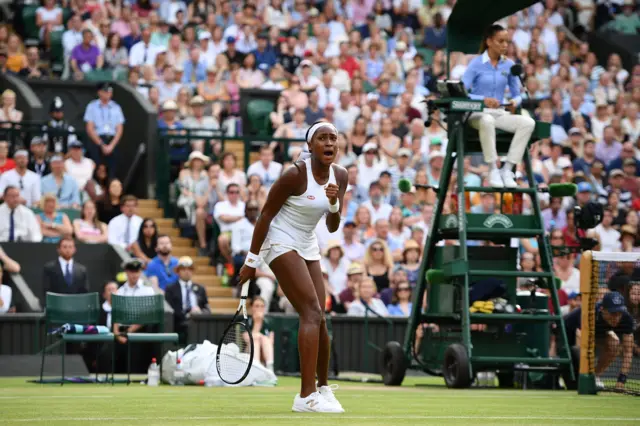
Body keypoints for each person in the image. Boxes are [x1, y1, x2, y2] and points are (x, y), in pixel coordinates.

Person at [238, 121, 347, 413]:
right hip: (279, 239)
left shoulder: (341, 175)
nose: (328, 143)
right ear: (310, 147)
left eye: (333, 139)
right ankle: (305, 395)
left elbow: (333, 226)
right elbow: (265, 215)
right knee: (310, 311)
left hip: (308, 241)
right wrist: (252, 261)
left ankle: (323, 388)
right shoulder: (295, 175)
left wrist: (334, 203)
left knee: (320, 316)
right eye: (322, 138)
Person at [462, 24, 536, 189]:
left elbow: (518, 94)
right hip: (476, 114)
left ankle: (507, 169)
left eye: (507, 42)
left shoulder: (509, 65)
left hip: (500, 113)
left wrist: (514, 102)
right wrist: (483, 100)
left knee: (528, 123)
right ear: (489, 41)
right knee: (487, 120)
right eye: (500, 41)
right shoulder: (475, 64)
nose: (505, 45)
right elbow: (462, 92)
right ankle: (493, 168)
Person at [564, 288, 635, 390]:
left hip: (596, 334)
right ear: (602, 309)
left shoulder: (626, 319)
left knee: (614, 344)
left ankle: (595, 376)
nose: (616, 318)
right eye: (613, 313)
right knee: (574, 381)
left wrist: (621, 381)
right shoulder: (590, 313)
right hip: (567, 332)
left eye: (619, 313)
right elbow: (580, 342)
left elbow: (628, 351)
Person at [164, 256, 210, 343]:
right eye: (183, 269)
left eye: (189, 269)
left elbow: (207, 309)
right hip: (179, 325)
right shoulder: (171, 289)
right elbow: (171, 311)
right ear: (178, 271)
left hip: (198, 322)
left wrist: (200, 312)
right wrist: (188, 315)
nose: (187, 272)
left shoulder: (200, 289)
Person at [84, 82, 125, 178]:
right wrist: (101, 144)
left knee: (113, 169)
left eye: (110, 92)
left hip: (112, 140)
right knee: (96, 168)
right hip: (97, 140)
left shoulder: (116, 107)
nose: (108, 94)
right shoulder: (92, 106)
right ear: (99, 93)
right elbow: (90, 128)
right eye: (105, 92)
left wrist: (111, 145)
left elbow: (119, 129)